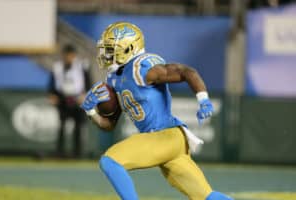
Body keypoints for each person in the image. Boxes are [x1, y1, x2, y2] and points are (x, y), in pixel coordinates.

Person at [81, 22, 232, 200]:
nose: (106, 54)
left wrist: (203, 99)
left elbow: (186, 72)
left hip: (164, 136)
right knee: (206, 196)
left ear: (129, 48)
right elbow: (109, 125)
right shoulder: (115, 79)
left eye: (111, 49)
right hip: (172, 142)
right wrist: (91, 112)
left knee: (110, 162)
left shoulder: (142, 69)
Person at [49, 44, 90, 158]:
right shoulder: (57, 67)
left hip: (78, 98)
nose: (68, 57)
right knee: (62, 126)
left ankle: (77, 153)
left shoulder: (82, 66)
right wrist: (52, 94)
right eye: (66, 55)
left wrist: (85, 95)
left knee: (78, 126)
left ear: (74, 55)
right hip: (63, 98)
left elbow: (88, 81)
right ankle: (60, 152)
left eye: (71, 55)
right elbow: (52, 81)